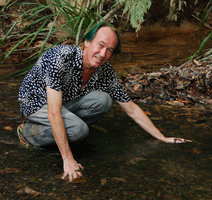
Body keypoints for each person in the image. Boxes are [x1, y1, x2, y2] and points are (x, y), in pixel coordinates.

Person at [17, 22, 192, 182]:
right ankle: (27, 133)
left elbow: (130, 107)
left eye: (109, 50)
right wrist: (68, 159)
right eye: (100, 45)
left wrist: (163, 138)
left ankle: (67, 128)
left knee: (103, 100)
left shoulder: (105, 71)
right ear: (87, 42)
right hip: (34, 102)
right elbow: (54, 111)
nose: (103, 54)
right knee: (79, 131)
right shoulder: (61, 58)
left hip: (63, 102)